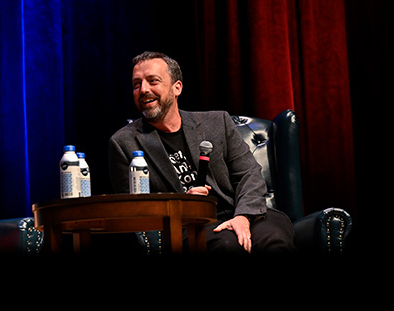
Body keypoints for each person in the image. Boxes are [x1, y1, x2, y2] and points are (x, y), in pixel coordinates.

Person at [108, 51, 296, 254]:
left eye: (153, 81)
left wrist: (242, 217)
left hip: (240, 212)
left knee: (274, 239)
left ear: (176, 87)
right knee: (228, 246)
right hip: (186, 226)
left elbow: (249, 174)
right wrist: (184, 205)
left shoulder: (217, 123)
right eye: (136, 84)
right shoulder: (123, 143)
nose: (143, 89)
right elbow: (131, 212)